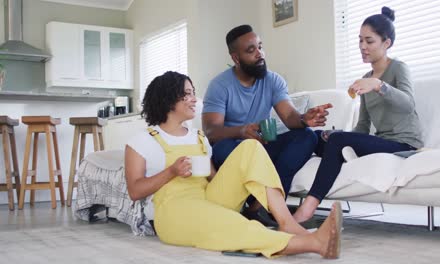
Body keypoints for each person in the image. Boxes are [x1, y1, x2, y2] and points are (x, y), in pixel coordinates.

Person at [125, 71, 343, 259]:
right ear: (169, 98)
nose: (194, 99)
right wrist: (172, 171)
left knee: (250, 147)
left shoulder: (197, 137)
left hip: (208, 198)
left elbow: (212, 178)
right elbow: (135, 191)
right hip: (174, 211)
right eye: (188, 93)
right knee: (231, 224)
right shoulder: (143, 140)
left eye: (194, 92)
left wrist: (240, 178)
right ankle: (314, 244)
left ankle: (286, 221)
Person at [293, 7, 424, 223]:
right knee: (316, 138)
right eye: (360, 40)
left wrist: (378, 85)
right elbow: (363, 126)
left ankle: (308, 207)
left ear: (386, 43)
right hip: (382, 141)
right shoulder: (365, 77)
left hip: (404, 144)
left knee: (336, 141)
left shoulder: (398, 69)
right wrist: (338, 136)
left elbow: (408, 105)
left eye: (369, 41)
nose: (363, 46)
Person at [202, 24, 332, 204]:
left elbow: (289, 117)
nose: (260, 54)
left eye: (260, 47)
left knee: (307, 137)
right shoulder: (220, 86)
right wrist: (241, 131)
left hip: (262, 148)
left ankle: (269, 204)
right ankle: (251, 203)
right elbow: (211, 131)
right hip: (234, 150)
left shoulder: (273, 80)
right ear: (236, 58)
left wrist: (303, 119)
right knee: (222, 149)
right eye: (251, 50)